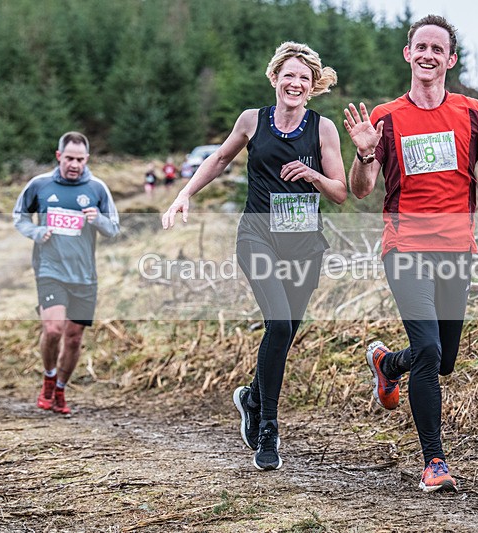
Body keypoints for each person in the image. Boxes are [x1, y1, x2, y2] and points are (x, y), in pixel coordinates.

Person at [343, 14, 478, 493]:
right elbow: (361, 189)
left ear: (450, 60)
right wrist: (364, 154)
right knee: (428, 351)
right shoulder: (385, 117)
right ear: (408, 54)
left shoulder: (471, 113)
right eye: (421, 47)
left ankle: (388, 365)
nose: (428, 55)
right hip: (405, 247)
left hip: (456, 251)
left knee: (443, 359)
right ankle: (434, 462)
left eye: (438, 49)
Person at [162, 42, 346, 471]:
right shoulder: (252, 120)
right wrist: (184, 194)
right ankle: (268, 429)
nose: (295, 83)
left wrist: (313, 174)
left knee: (285, 332)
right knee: (278, 324)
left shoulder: (322, 129)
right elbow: (219, 159)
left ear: (312, 86)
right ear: (275, 78)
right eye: (289, 75)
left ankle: (251, 397)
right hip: (257, 237)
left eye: (303, 77)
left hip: (304, 245)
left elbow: (341, 192)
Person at [13, 131, 121, 416]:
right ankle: (48, 378)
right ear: (59, 156)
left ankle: (60, 389)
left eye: (80, 160)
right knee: (53, 329)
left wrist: (97, 219)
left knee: (73, 338)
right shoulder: (40, 185)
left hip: (84, 276)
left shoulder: (97, 188)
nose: (75, 165)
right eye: (70, 158)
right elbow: (19, 216)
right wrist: (37, 231)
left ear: (87, 159)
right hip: (50, 270)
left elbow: (113, 228)